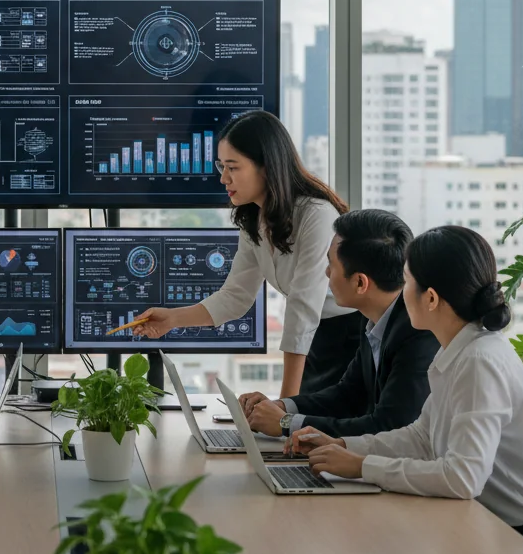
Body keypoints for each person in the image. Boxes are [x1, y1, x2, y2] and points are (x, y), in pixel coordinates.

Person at [295, 226, 523, 554]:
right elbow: (423, 438)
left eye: (406, 280)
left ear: (430, 298)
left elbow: (462, 478)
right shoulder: (460, 350)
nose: (400, 293)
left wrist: (363, 467)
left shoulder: (480, 361)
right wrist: (343, 446)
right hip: (494, 527)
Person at [133, 110, 357, 396]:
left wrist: (284, 407)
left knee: (313, 430)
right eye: (221, 166)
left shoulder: (316, 215)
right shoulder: (255, 219)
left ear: (266, 167)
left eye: (233, 167)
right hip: (318, 340)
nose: (224, 178)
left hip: (353, 335)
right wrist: (172, 320)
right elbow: (235, 297)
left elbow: (303, 308)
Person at [239, 208, 438, 442]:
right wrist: (282, 406)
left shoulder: (419, 333)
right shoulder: (376, 315)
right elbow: (348, 395)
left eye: (331, 265)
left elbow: (389, 427)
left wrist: (286, 424)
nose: (326, 273)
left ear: (360, 283)